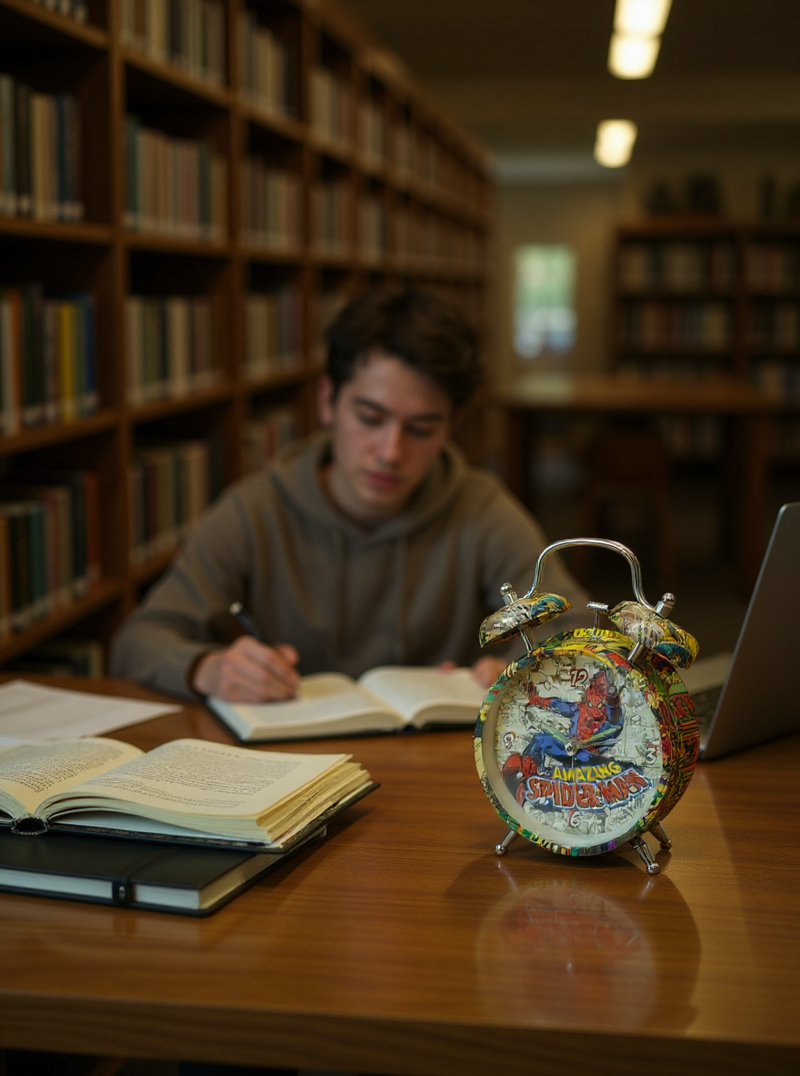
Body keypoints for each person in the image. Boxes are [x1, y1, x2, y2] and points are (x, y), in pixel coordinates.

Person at [110, 287, 589, 701]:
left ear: (451, 427)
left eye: (421, 428)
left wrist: (522, 668)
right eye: (370, 418)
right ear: (327, 401)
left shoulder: (481, 509)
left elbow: (577, 628)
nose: (390, 452)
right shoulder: (255, 510)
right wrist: (207, 669)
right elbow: (139, 640)